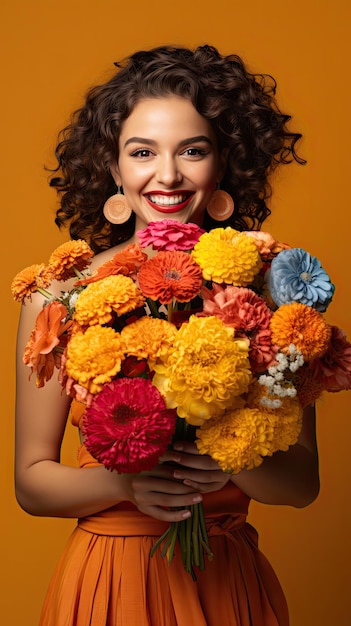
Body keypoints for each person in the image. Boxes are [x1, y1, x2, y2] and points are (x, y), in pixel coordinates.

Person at [15, 45, 320, 626]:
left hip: (226, 582)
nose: (169, 175)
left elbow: (303, 483)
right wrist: (126, 487)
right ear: (113, 168)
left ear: (223, 164)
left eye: (193, 151)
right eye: (142, 152)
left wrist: (229, 462)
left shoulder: (275, 294)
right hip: (110, 583)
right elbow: (31, 483)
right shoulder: (58, 296)